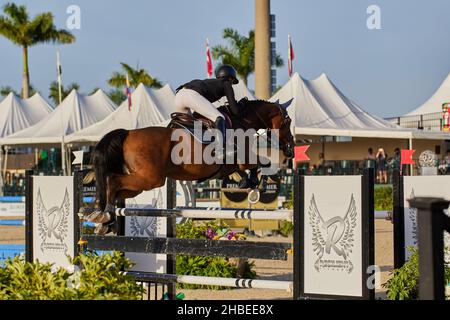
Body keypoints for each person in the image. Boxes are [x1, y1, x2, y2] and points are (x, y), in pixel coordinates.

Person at [174, 64, 241, 151]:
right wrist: (242, 103)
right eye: (232, 81)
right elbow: (235, 111)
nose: (232, 83)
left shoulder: (211, 82)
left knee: (191, 125)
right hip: (191, 95)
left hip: (179, 96)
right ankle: (221, 149)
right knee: (219, 118)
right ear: (230, 78)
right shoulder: (226, 83)